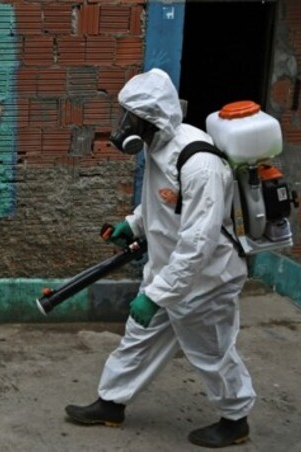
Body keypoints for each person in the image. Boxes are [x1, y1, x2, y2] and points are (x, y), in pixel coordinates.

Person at [64, 68, 255, 448]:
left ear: (153, 118)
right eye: (126, 116)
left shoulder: (199, 162)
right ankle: (111, 403)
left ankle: (235, 419)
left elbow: (198, 241)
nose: (124, 125)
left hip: (206, 280)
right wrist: (133, 225)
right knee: (138, 338)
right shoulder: (157, 147)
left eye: (132, 118)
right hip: (171, 272)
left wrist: (156, 294)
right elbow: (164, 204)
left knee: (212, 351)